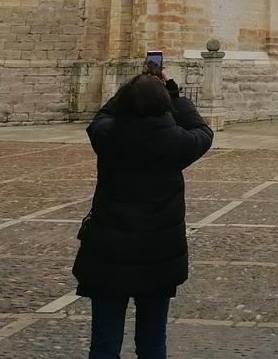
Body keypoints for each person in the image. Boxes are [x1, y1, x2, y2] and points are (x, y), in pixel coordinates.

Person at [73, 73, 214, 359]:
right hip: (158, 254)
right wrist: (175, 94)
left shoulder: (108, 135)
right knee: (152, 342)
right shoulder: (176, 143)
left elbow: (100, 117)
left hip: (109, 253)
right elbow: (203, 131)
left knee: (104, 342)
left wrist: (129, 91)